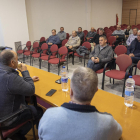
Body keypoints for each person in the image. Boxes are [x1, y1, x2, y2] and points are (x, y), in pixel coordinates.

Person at [38, 67, 122, 140]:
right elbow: (118, 134)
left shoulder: (49, 114)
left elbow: (40, 136)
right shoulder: (108, 123)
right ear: (95, 91)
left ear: (71, 91)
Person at [0, 50, 43, 140]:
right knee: (38, 110)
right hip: (7, 120)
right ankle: (17, 134)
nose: (19, 61)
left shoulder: (3, 71)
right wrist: (25, 72)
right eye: (17, 59)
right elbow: (31, 90)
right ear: (12, 62)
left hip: (1, 114)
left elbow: (11, 84)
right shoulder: (10, 77)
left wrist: (28, 79)